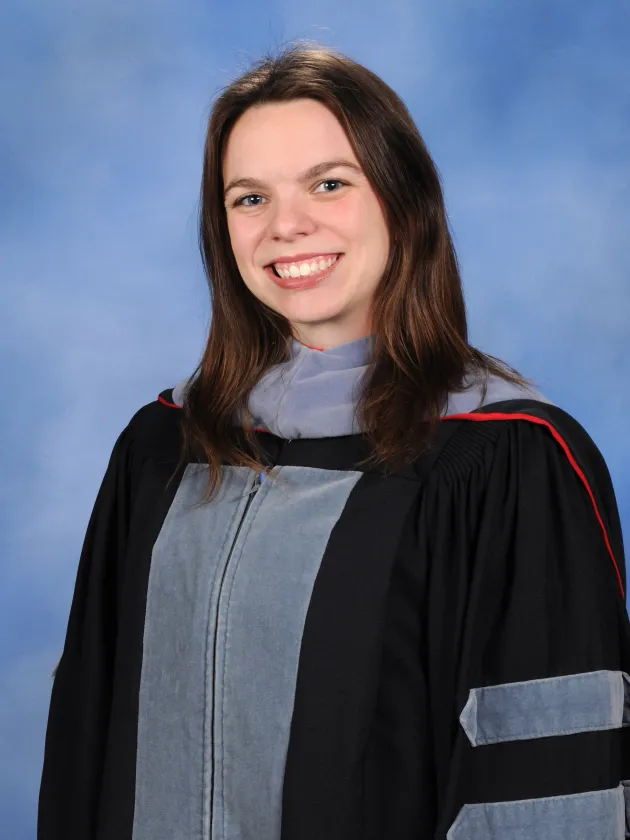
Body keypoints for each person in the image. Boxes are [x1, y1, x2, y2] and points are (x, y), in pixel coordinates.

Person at [38, 42, 630, 840]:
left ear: (404, 200)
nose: (287, 226)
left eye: (329, 184)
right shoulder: (163, 449)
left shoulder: (505, 461)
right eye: (249, 198)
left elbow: (550, 792)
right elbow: (87, 741)